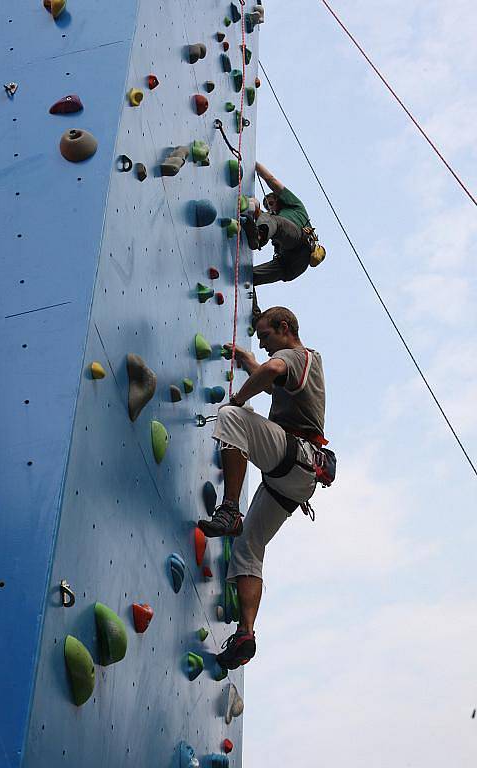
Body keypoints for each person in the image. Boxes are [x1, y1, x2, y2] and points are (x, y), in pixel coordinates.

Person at [197, 306, 329, 669]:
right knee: (248, 549)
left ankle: (229, 508)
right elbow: (269, 374)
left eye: (265, 335)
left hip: (295, 456)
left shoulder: (300, 355)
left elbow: (273, 369)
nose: (263, 343)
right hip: (294, 481)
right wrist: (248, 360)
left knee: (232, 417)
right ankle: (246, 633)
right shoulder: (299, 367)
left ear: (284, 327)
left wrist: (238, 398)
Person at [244, 162, 326, 319]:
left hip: (299, 244)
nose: (269, 206)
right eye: (267, 205)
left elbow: (271, 179)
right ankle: (255, 317)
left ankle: (259, 236)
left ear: (280, 199)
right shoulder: (271, 217)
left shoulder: (294, 207)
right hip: (288, 266)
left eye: (271, 201)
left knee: (275, 222)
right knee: (247, 277)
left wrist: (253, 164)